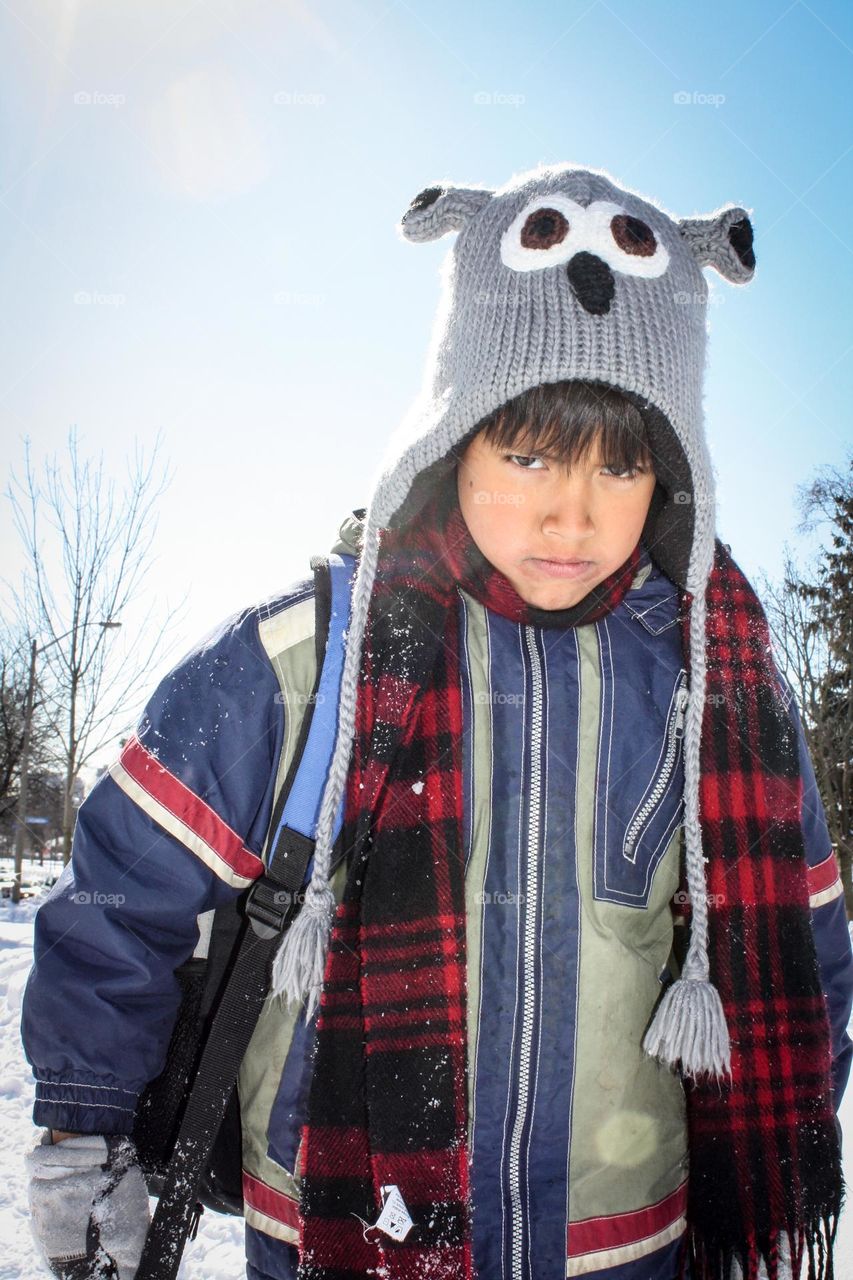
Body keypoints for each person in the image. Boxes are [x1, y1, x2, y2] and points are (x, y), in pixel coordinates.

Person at [22, 163, 853, 1280]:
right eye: (527, 453)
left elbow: (807, 950)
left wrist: (752, 1192)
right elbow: (121, 900)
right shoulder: (309, 660)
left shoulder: (720, 692)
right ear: (450, 438)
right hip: (339, 1233)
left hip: (626, 1246)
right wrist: (87, 1130)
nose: (574, 509)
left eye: (623, 462)